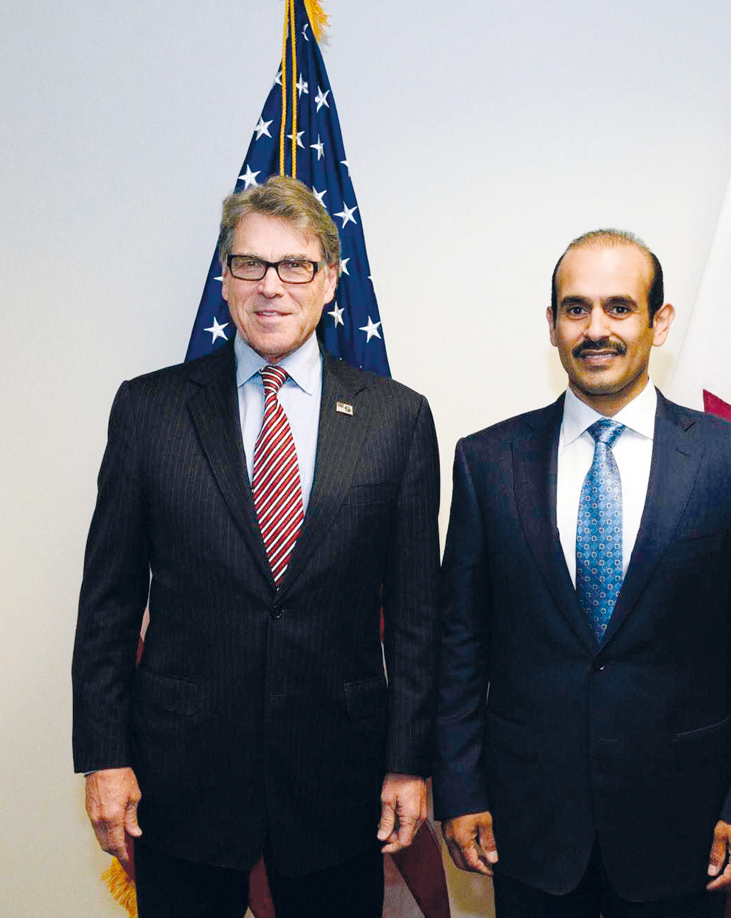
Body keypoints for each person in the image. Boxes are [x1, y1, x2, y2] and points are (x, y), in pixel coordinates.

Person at [72, 175, 440, 918]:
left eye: (295, 266)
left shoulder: (396, 421)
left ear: (331, 279)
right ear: (226, 277)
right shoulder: (148, 410)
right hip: (181, 784)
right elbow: (109, 604)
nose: (271, 287)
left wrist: (409, 763)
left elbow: (414, 617)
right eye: (250, 264)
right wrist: (105, 756)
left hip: (338, 787)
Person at [433, 229, 731, 917]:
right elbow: (459, 645)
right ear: (551, 324)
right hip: (527, 827)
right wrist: (459, 787)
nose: (595, 329)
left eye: (619, 308)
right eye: (575, 309)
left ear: (658, 322)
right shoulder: (487, 463)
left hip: (685, 826)